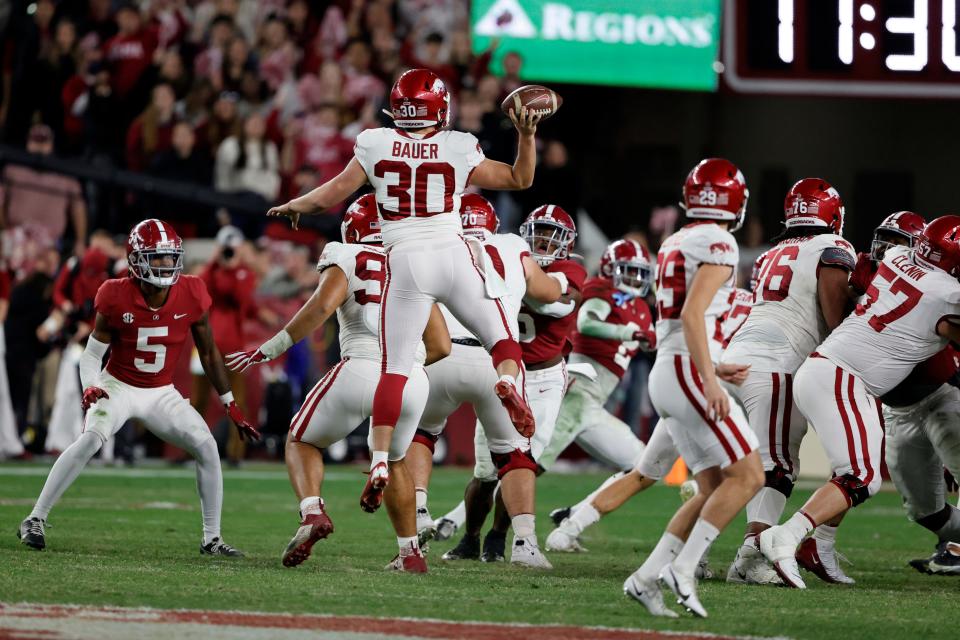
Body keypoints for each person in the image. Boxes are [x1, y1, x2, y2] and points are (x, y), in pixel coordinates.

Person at [265, 68, 541, 547]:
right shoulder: (459, 145)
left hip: (406, 263)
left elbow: (333, 193)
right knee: (503, 341)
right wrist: (525, 133)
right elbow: (520, 178)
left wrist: (297, 204)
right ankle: (506, 381)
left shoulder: (375, 143)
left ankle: (376, 460)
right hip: (453, 256)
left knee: (394, 370)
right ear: (440, 109)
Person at [226, 195, 451, 572]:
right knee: (396, 461)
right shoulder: (414, 264)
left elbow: (321, 306)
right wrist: (406, 363)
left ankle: (313, 511)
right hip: (411, 379)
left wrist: (270, 347)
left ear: (353, 227)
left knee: (300, 439)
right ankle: (410, 552)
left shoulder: (347, 254)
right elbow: (441, 345)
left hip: (360, 367)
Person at [18, 219, 258, 555]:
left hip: (162, 391)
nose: (165, 264)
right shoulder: (114, 294)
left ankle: (212, 538)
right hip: (119, 385)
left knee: (206, 446)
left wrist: (229, 402)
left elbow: (208, 351)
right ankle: (35, 518)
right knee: (90, 439)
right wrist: (91, 386)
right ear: (135, 259)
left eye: (169, 256)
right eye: (156, 257)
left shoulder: (191, 291)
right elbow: (91, 355)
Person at [760, 215, 960, 588]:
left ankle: (818, 547)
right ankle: (785, 536)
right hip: (844, 378)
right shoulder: (947, 292)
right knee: (862, 477)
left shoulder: (898, 260)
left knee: (852, 471)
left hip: (826, 371)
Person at [624, 158, 763, 618]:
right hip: (685, 370)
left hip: (672, 368)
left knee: (711, 486)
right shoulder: (719, 240)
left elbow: (684, 317)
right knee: (749, 477)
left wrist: (714, 368)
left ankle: (646, 578)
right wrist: (708, 377)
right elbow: (691, 315)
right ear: (735, 202)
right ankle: (683, 568)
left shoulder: (677, 239)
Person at [403, 194, 565, 568]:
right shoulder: (512, 245)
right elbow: (548, 292)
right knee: (514, 458)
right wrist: (555, 278)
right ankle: (525, 543)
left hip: (443, 352)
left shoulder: (433, 245)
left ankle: (421, 509)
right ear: (493, 223)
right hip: (498, 356)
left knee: (422, 434)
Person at [722, 179, 857, 586]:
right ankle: (749, 555)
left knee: (725, 464)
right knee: (778, 465)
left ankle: (688, 549)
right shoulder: (834, 247)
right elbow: (835, 318)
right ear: (833, 215)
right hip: (776, 362)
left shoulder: (771, 252)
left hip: (734, 355)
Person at [440, 204, 586, 563]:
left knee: (524, 462)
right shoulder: (511, 257)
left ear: (566, 242)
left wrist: (514, 283)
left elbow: (556, 306)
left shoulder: (569, 270)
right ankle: (470, 539)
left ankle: (499, 538)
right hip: (505, 370)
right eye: (539, 231)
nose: (543, 240)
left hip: (545, 377)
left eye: (552, 235)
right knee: (485, 471)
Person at [191, 226, 258, 465]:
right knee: (198, 399)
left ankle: (235, 453)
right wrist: (214, 260)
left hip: (233, 348)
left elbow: (240, 298)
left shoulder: (245, 273)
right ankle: (190, 449)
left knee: (236, 400)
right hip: (207, 344)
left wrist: (233, 268)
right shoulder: (213, 270)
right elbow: (199, 288)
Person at [0, 124, 87, 256]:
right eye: (35, 141)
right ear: (28, 142)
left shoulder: (65, 176)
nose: (39, 147)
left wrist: (80, 241)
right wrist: (4, 230)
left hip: (50, 244)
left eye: (43, 142)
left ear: (51, 144)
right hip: (17, 237)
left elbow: (78, 207)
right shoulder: (12, 170)